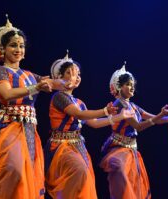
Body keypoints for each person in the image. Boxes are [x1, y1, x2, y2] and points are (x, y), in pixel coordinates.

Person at [0, 15, 76, 199]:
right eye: (13, 45)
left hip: (29, 131)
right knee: (13, 169)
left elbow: (54, 83)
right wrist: (36, 87)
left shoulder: (30, 74)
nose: (18, 49)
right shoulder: (0, 72)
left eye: (21, 46)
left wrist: (69, 79)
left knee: (28, 175)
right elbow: (7, 94)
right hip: (9, 128)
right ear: (2, 49)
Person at [45, 53, 134, 199]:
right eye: (70, 73)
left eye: (77, 73)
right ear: (59, 77)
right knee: (79, 171)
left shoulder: (79, 102)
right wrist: (105, 111)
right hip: (60, 148)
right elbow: (79, 115)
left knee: (84, 178)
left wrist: (118, 117)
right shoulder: (59, 97)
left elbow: (94, 123)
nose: (75, 76)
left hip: (77, 146)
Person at [100, 63, 168, 199]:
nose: (132, 87)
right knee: (123, 181)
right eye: (128, 84)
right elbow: (138, 126)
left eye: (133, 85)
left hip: (131, 151)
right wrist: (160, 115)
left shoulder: (133, 106)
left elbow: (154, 118)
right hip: (119, 149)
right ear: (119, 87)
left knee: (134, 185)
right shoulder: (119, 104)